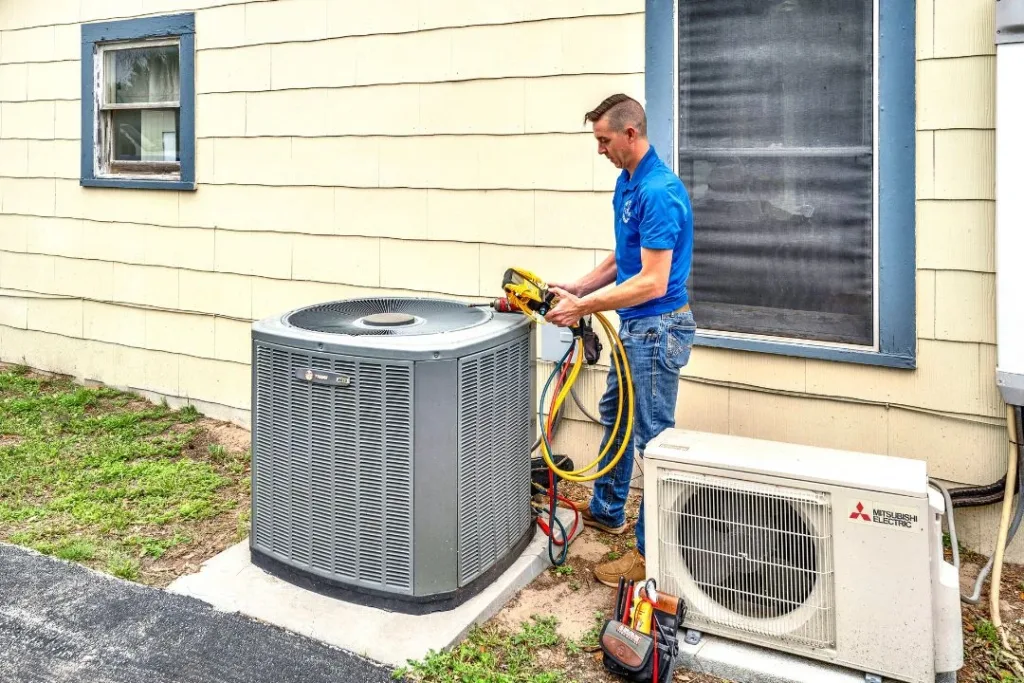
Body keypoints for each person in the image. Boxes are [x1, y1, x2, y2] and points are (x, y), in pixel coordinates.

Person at [544, 94, 696, 587]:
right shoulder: (627, 184)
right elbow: (623, 257)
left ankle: (653, 559)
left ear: (630, 134)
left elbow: (652, 280)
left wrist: (583, 308)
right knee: (615, 416)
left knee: (653, 442)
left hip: (657, 328)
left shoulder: (659, 191)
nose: (600, 149)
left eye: (604, 140)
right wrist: (577, 288)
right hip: (634, 327)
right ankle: (608, 509)